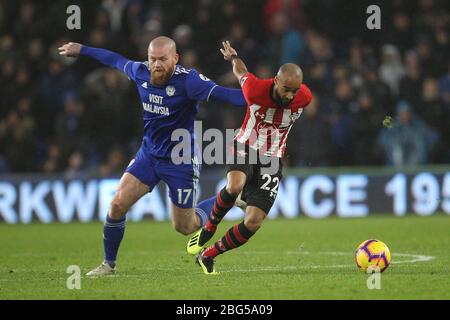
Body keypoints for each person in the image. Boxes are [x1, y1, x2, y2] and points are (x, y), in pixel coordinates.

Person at [58, 37, 246, 276]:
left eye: (162, 60)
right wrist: (82, 49)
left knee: (185, 227)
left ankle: (229, 198)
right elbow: (114, 59)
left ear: (175, 58)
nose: (156, 64)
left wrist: (264, 96)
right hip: (149, 154)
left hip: (181, 159)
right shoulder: (140, 72)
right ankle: (109, 264)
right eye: (153, 59)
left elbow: (228, 96)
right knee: (117, 205)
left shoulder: (189, 81)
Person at [187, 41, 312, 274]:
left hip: (273, 159)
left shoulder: (304, 97)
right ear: (276, 81)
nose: (290, 95)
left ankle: (209, 254)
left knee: (253, 222)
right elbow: (241, 72)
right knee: (234, 186)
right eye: (286, 89)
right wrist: (234, 58)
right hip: (246, 144)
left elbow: (297, 96)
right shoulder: (255, 89)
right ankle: (210, 225)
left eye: (294, 90)